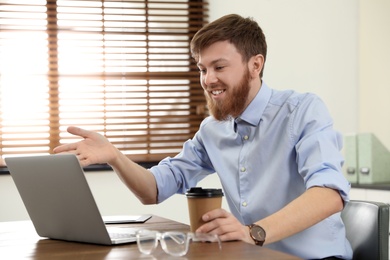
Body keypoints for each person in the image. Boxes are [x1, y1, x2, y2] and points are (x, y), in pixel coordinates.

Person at [54, 14, 353, 259]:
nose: (208, 80)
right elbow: (153, 190)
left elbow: (329, 193)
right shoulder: (213, 129)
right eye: (202, 69)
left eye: (219, 67)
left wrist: (253, 232)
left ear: (255, 64)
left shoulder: (302, 110)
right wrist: (115, 157)